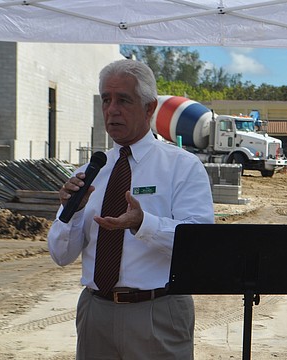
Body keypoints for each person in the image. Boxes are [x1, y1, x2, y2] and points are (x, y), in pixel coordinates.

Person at [47, 59, 215, 359]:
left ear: (150, 108)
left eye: (124, 100)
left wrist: (143, 224)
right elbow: (61, 255)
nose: (112, 110)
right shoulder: (91, 171)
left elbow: (201, 245)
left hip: (157, 313)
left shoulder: (181, 166)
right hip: (96, 313)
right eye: (106, 100)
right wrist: (70, 213)